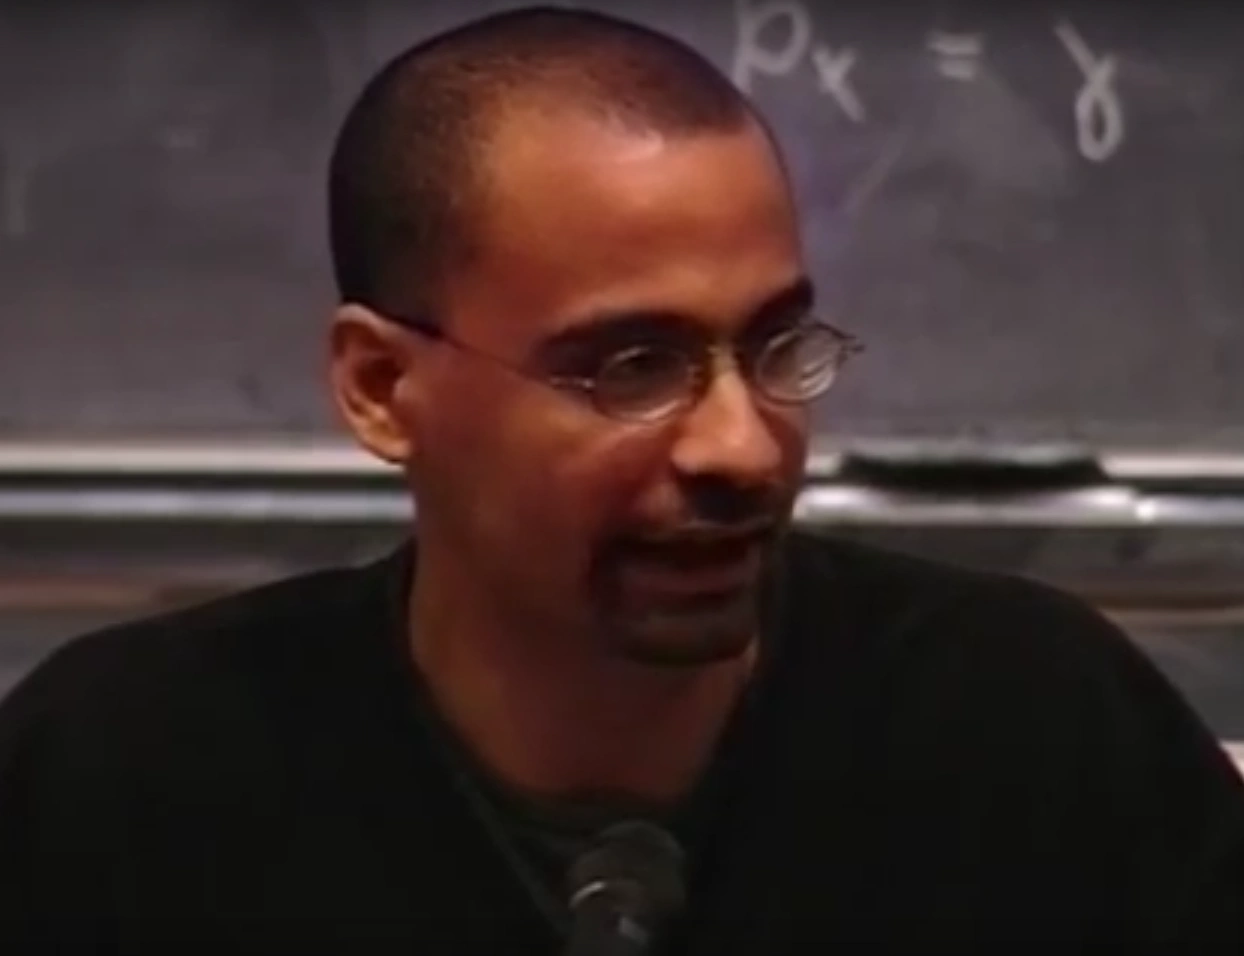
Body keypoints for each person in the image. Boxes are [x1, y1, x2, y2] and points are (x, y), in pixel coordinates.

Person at [1, 7, 1242, 954]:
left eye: (773, 348)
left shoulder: (1031, 730)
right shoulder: (129, 774)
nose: (741, 447)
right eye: (630, 367)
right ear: (382, 387)